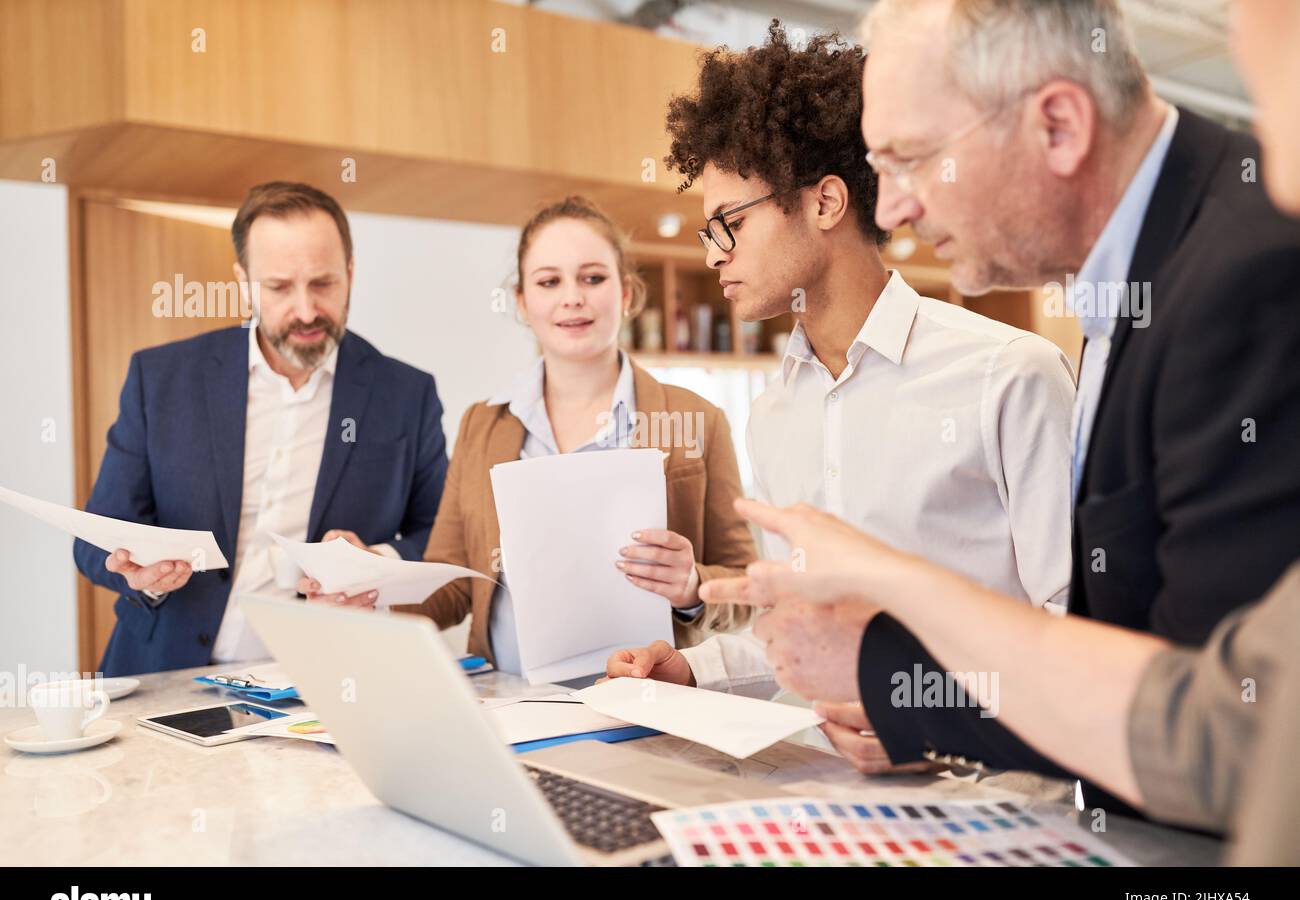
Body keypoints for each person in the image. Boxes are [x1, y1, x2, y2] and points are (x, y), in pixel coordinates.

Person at [703, 0, 1300, 851]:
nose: (897, 209)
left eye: (911, 160)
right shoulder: (1132, 288)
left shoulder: (1242, 277)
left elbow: (1216, 725)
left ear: (1057, 126)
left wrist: (892, 668)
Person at [604, 21, 1075, 774]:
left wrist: (923, 715)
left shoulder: (1009, 374)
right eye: (706, 233)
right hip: (829, 799)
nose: (716, 256)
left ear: (825, 203)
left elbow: (1077, 637)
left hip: (995, 806)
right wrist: (695, 670)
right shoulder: (776, 411)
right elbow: (796, 633)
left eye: (728, 223)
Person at [75, 182, 449, 676]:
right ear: (243, 281)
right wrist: (140, 573)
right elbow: (92, 540)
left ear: (351, 273)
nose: (307, 310)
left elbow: (442, 539)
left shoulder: (407, 394)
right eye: (278, 288)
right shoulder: (161, 379)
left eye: (324, 284)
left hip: (326, 687)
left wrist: (375, 560)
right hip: (161, 676)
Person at [377, 196, 756, 674]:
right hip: (513, 709)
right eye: (549, 281)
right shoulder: (482, 424)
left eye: (593, 278)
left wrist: (692, 587)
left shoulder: (696, 419)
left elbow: (745, 586)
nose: (571, 297)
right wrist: (374, 593)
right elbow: (452, 588)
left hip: (649, 706)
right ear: (521, 301)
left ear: (627, 294)